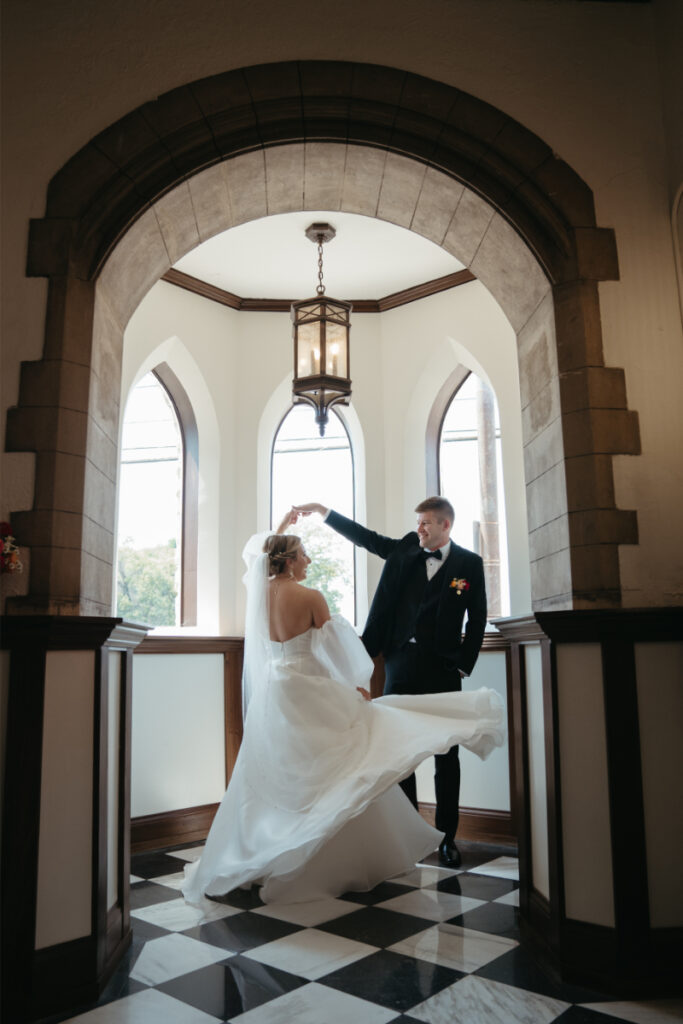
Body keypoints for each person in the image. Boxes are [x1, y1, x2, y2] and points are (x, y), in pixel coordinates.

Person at [182, 510, 502, 907]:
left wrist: (282, 530)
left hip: (277, 692)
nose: (309, 562)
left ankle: (263, 849)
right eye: (304, 555)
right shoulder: (312, 596)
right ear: (290, 559)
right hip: (324, 686)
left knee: (285, 770)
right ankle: (370, 847)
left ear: (444, 524)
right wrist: (355, 686)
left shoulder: (258, 594)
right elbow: (335, 653)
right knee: (367, 754)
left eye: (427, 522)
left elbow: (261, 556)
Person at [294, 497, 487, 869]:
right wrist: (324, 513)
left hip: (444, 670)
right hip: (400, 664)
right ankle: (410, 835)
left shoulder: (469, 564)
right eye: (418, 523)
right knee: (400, 754)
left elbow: (477, 617)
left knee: (448, 756)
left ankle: (448, 838)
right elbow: (365, 538)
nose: (420, 529)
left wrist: (464, 664)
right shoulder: (403, 549)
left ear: (446, 525)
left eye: (426, 523)